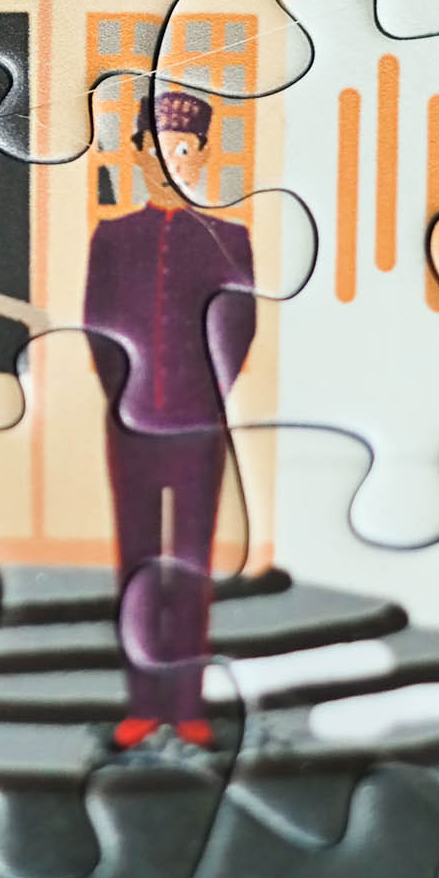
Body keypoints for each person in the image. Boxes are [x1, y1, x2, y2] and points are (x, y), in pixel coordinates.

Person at [83, 89, 255, 751]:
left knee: (188, 562)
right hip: (129, 424)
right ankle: (140, 703)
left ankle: (185, 706)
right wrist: (123, 395)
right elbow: (97, 327)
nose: (170, 160)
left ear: (203, 156)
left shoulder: (229, 240)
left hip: (196, 427)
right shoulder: (112, 237)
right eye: (157, 148)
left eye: (184, 148)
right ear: (138, 155)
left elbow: (238, 329)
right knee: (136, 561)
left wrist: (205, 398)